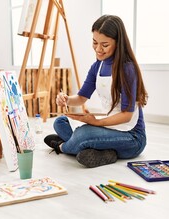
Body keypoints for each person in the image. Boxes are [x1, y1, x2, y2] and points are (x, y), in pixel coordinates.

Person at [44, 15, 148, 168]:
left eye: (104, 45)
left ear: (118, 43)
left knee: (83, 134)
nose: (98, 49)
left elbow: (126, 116)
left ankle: (62, 147)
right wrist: (66, 99)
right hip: (108, 127)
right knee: (60, 122)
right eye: (94, 42)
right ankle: (105, 152)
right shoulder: (97, 67)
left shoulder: (127, 68)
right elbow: (80, 98)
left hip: (132, 137)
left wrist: (96, 123)